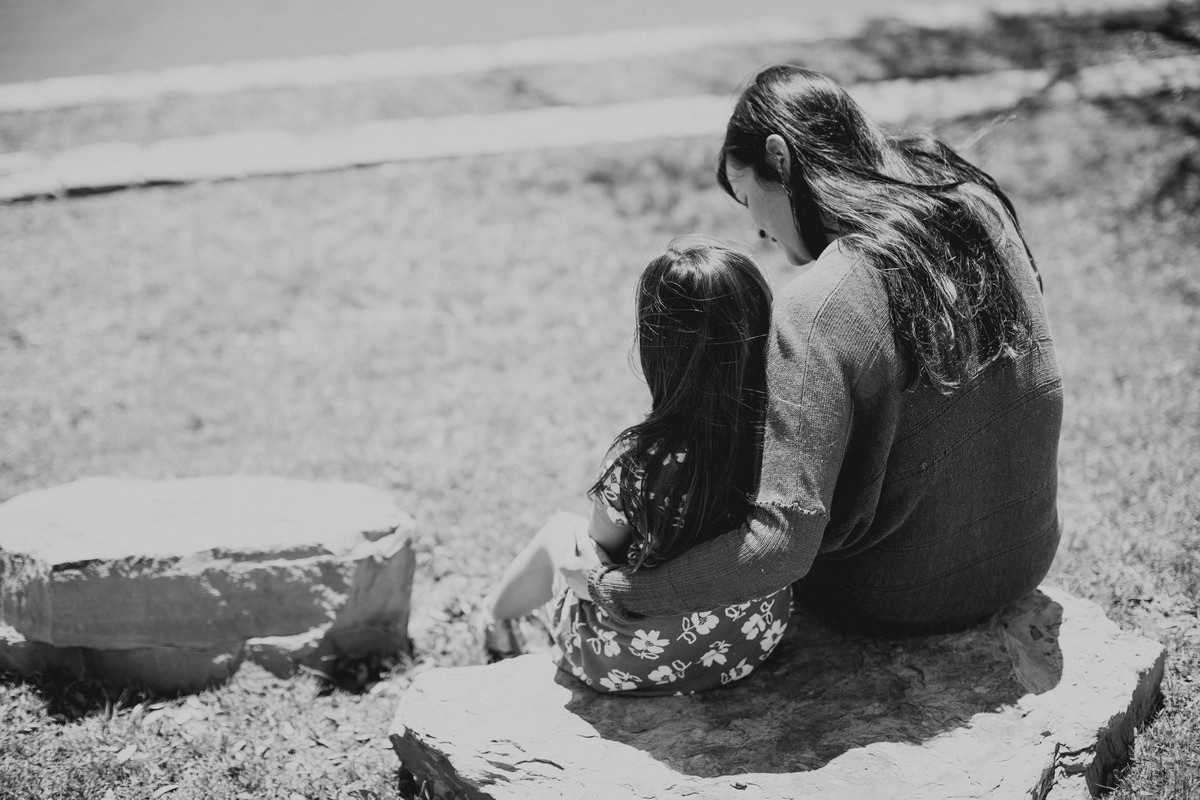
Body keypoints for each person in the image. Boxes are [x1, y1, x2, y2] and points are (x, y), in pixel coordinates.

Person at [567, 65, 1063, 634]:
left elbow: (780, 547)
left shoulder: (819, 304)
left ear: (779, 159)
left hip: (896, 594)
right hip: (1025, 555)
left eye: (749, 198)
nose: (760, 233)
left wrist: (623, 589)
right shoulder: (971, 199)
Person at [481, 237, 791, 695]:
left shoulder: (643, 461)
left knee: (559, 532)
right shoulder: (784, 438)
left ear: (658, 347)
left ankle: (492, 618)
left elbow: (599, 548)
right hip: (748, 644)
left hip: (631, 657)